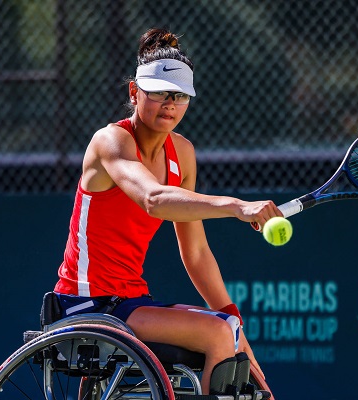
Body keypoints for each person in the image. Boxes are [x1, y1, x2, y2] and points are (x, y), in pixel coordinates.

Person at [53, 27, 281, 395]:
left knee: (231, 335)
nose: (169, 104)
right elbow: (154, 199)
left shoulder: (183, 154)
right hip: (85, 306)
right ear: (134, 92)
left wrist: (234, 319)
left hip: (132, 303)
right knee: (220, 333)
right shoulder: (111, 141)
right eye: (158, 93)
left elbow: (196, 252)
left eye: (178, 95)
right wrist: (237, 206)